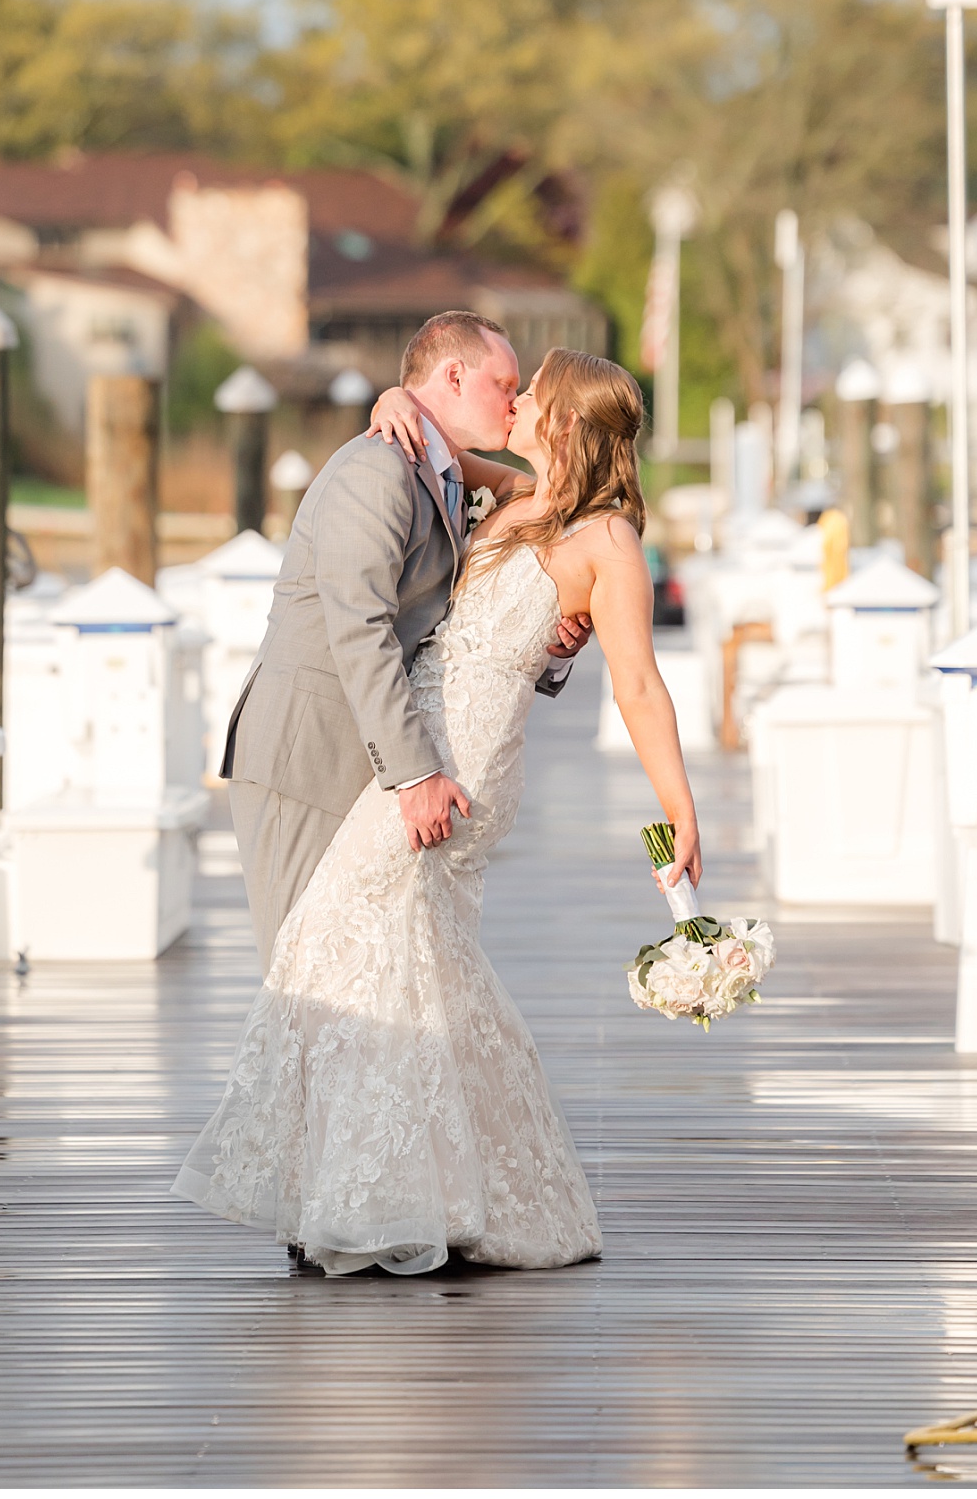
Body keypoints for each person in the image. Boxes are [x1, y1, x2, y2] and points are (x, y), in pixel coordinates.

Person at [174, 347, 703, 1276]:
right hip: (417, 753)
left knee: (341, 945)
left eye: (533, 395)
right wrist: (399, 400)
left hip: (455, 768)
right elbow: (449, 454)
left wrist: (680, 810)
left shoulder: (608, 541)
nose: (520, 402)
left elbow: (642, 687)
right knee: (403, 965)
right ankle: (420, 1190)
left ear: (566, 423)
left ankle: (373, 1199)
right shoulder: (522, 501)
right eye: (514, 386)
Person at [218, 310, 590, 971]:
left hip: (369, 765)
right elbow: (358, 627)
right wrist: (417, 773)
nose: (514, 401)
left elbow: (464, 614)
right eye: (504, 383)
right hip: (307, 759)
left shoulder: (444, 471)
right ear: (453, 374)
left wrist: (550, 639)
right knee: (300, 978)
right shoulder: (379, 470)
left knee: (359, 976)